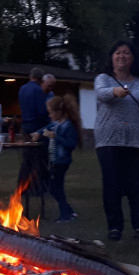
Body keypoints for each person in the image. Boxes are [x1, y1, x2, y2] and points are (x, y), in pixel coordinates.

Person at [94, 40, 139, 241]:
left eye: (126, 53)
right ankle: (115, 226)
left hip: (136, 141)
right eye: (118, 52)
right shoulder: (103, 78)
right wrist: (116, 91)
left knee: (135, 185)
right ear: (112, 57)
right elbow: (101, 94)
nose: (122, 56)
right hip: (108, 140)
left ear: (132, 58)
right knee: (112, 184)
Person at [31, 94, 80, 222]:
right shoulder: (56, 123)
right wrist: (38, 133)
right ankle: (69, 211)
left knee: (55, 188)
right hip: (54, 161)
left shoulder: (68, 126)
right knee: (55, 187)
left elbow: (71, 144)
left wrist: (55, 136)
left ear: (59, 112)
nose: (50, 115)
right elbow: (45, 128)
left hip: (62, 161)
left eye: (51, 113)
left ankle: (65, 215)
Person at [17, 66, 50, 216]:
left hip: (25, 126)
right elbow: (41, 111)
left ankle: (21, 188)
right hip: (36, 126)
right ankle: (38, 189)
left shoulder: (22, 89)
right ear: (40, 78)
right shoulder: (38, 90)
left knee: (27, 160)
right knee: (40, 159)